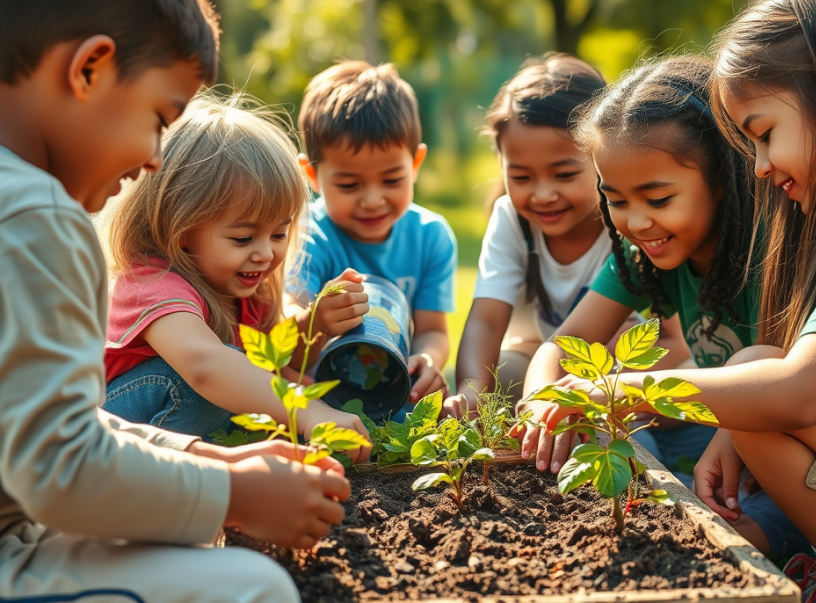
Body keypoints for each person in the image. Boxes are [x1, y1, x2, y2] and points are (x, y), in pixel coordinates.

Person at [0, 0, 349, 600]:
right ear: (90, 69)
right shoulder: (37, 216)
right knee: (254, 586)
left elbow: (41, 422)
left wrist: (209, 460)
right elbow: (56, 465)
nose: (156, 158)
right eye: (160, 117)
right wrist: (232, 493)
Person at [542, 0, 816, 601]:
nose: (759, 166)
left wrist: (616, 392)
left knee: (764, 381)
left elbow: (799, 393)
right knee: (757, 366)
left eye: (762, 135)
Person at [515, 55, 808, 561]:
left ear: (720, 179)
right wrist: (544, 401)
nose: (637, 221)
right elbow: (561, 345)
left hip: (806, 466)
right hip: (737, 463)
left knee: (717, 549)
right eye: (616, 200)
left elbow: (793, 384)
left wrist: (732, 435)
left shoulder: (775, 249)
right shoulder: (647, 257)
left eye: (658, 198)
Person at [100, 91, 369, 453]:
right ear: (179, 232)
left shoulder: (245, 290)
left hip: (174, 430)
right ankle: (169, 488)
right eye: (243, 238)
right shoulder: (151, 284)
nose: (266, 252)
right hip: (102, 435)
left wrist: (314, 324)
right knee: (201, 389)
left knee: (260, 384)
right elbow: (206, 366)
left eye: (278, 233)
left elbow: (273, 366)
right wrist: (307, 412)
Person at [445, 53, 688, 418]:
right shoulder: (513, 220)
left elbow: (676, 344)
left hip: (628, 376)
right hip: (550, 363)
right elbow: (487, 319)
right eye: (522, 178)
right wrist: (471, 391)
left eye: (563, 175)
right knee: (501, 373)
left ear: (603, 160)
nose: (543, 195)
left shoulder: (631, 224)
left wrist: (597, 382)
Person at [285, 60, 457, 412]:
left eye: (392, 180)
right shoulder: (306, 238)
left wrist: (427, 358)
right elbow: (286, 347)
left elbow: (433, 330)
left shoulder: (431, 237)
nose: (373, 200)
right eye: (349, 184)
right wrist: (315, 321)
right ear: (312, 175)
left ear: (416, 164)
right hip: (320, 395)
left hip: (394, 386)